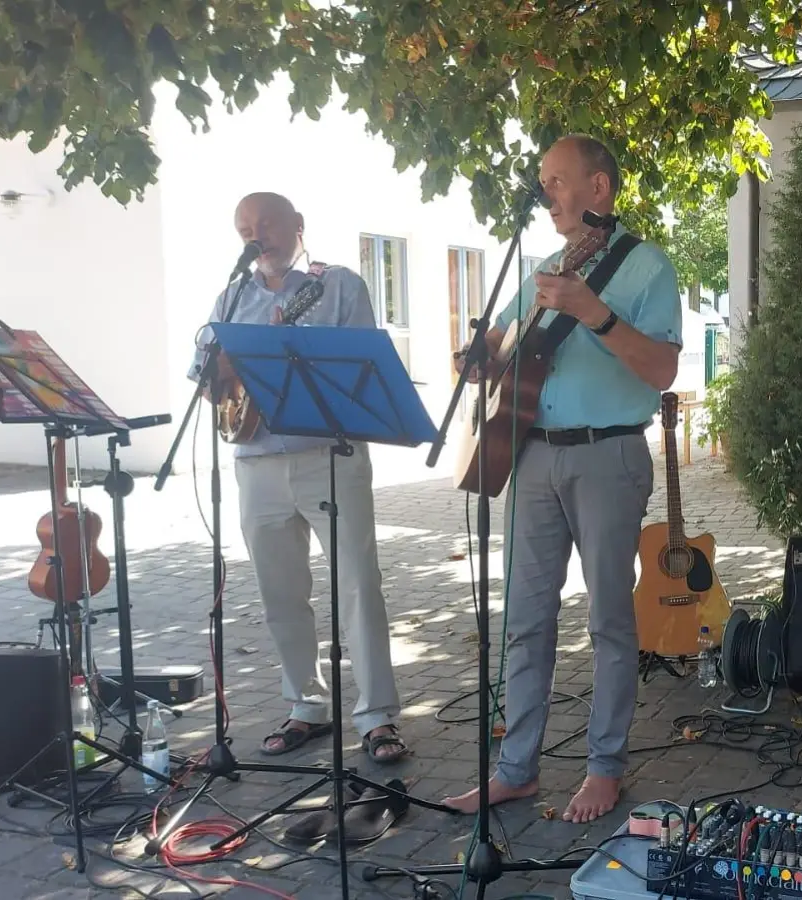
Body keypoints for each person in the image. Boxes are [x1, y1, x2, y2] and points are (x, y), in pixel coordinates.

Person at [441, 135, 682, 824]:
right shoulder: (546, 265)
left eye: (557, 179)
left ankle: (605, 767)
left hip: (607, 454)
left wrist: (593, 313)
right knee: (525, 620)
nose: (545, 192)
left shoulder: (646, 266)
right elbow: (504, 337)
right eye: (542, 181)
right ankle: (515, 769)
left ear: (598, 188)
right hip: (531, 453)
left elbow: (662, 370)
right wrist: (478, 353)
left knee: (608, 619)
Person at [188, 192, 409, 765]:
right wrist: (225, 370)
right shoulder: (232, 295)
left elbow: (361, 368)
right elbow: (206, 380)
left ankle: (378, 716)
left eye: (266, 224)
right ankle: (305, 704)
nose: (256, 236)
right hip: (256, 461)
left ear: (297, 226)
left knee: (359, 586)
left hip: (328, 455)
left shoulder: (337, 286)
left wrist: (295, 350)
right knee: (279, 593)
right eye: (245, 228)